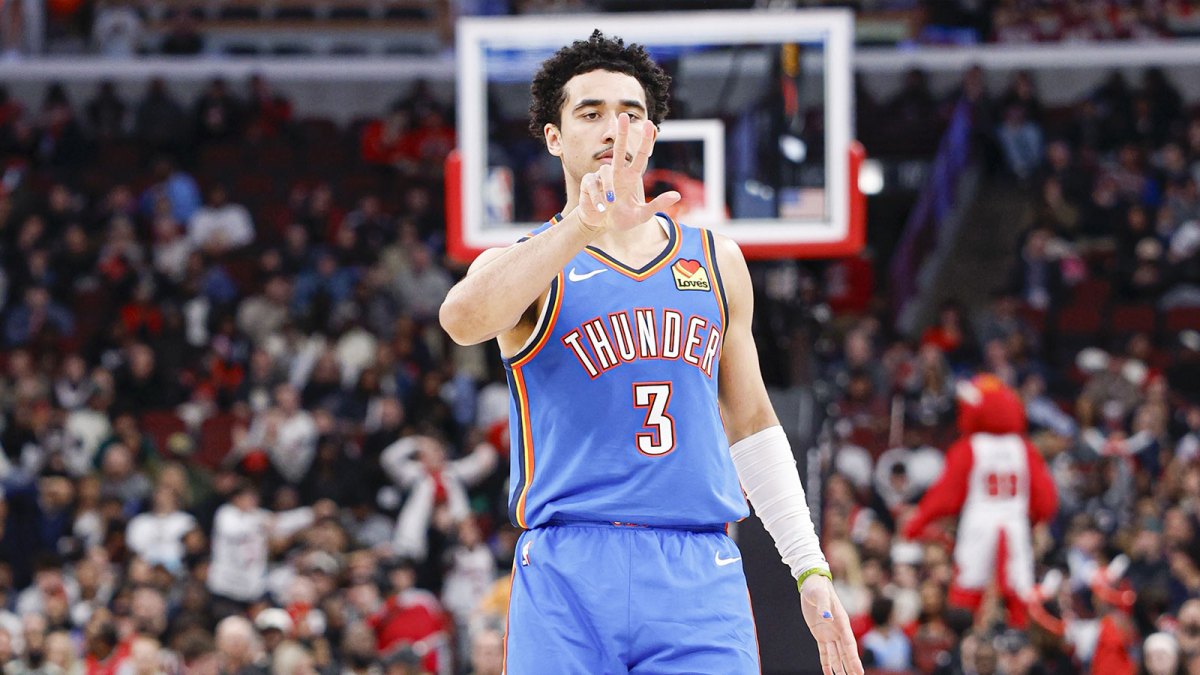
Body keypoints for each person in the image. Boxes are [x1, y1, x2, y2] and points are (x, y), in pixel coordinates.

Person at [439, 30, 861, 674]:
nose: (616, 128)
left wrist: (807, 564)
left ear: (653, 134)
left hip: (697, 567)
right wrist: (585, 224)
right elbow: (462, 320)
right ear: (554, 137)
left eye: (632, 113)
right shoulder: (526, 266)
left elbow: (752, 423)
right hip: (567, 569)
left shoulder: (716, 259)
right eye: (591, 112)